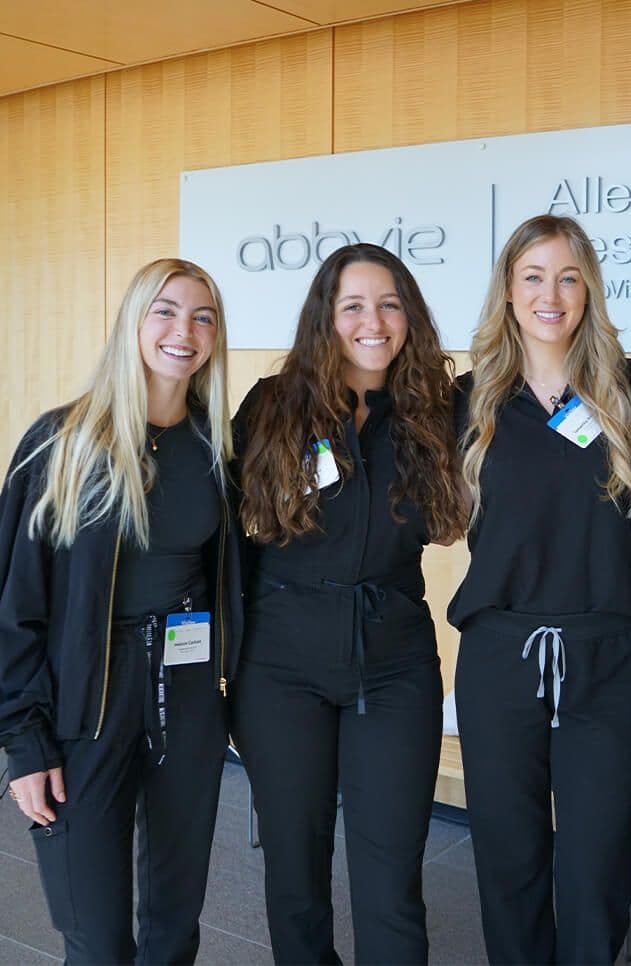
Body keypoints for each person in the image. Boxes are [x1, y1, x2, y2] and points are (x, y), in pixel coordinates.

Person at [230, 243, 467, 964]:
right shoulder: (271, 406)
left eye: (390, 303)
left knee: (391, 873)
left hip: (392, 660)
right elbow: (223, 536)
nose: (374, 321)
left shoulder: (438, 411)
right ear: (324, 317)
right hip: (280, 664)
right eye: (354, 305)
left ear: (410, 317)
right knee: (294, 871)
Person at [0, 258, 241, 963]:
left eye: (203, 316)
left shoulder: (217, 448)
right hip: (86, 705)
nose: (184, 330)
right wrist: (26, 744)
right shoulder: (62, 444)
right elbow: (14, 605)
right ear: (133, 322)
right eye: (165, 311)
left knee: (174, 922)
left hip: (187, 698)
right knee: (96, 934)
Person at [448, 214, 631, 964]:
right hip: (501, 648)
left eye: (569, 277)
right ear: (509, 291)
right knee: (508, 850)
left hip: (601, 650)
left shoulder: (630, 387)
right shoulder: (470, 397)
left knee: (598, 854)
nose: (552, 293)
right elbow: (449, 518)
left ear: (589, 290)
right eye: (534, 276)